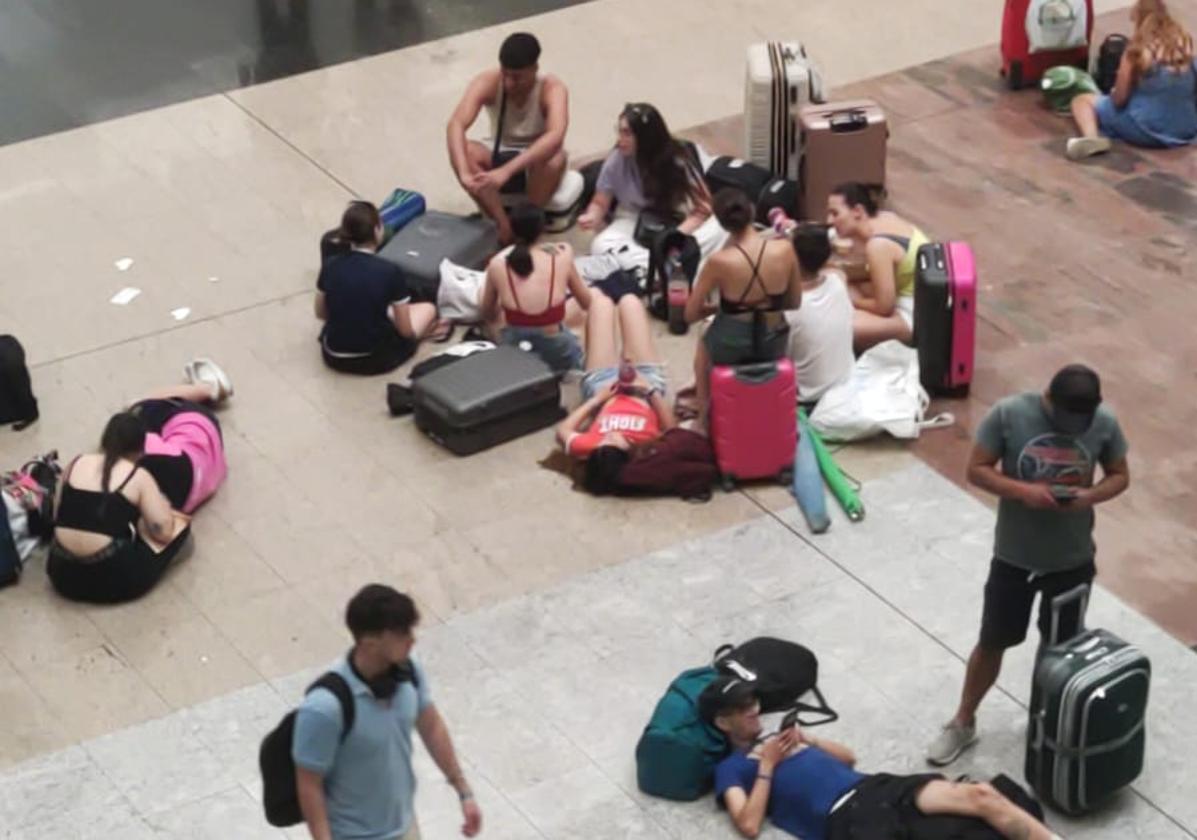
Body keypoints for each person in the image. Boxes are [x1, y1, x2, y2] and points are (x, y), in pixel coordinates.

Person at [926, 365, 1130, 767]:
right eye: (1063, 418)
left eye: (1079, 421)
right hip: (1014, 558)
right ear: (1047, 398)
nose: (1072, 426)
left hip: (1071, 561)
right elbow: (977, 469)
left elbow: (1120, 476)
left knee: (1061, 651)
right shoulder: (1009, 414)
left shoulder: (1104, 424)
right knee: (993, 641)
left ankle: (1051, 725)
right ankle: (963, 720)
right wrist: (1025, 492)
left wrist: (1089, 496)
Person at [705, 677, 1060, 840]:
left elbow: (849, 759)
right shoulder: (731, 769)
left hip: (879, 787)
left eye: (752, 702)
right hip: (844, 820)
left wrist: (808, 739)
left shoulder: (778, 739)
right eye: (742, 708)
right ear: (723, 722)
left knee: (980, 795)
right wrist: (766, 766)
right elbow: (749, 826)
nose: (753, 710)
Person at [293, 584, 482, 840]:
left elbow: (431, 726)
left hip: (404, 829)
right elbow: (308, 785)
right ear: (371, 643)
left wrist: (463, 791)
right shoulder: (325, 707)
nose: (412, 640)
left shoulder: (407, 673)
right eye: (402, 633)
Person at [47, 361, 233, 604]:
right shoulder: (138, 477)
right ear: (142, 448)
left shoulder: (76, 463)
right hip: (117, 581)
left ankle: (206, 387)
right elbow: (164, 532)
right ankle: (207, 387)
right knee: (180, 532)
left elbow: (57, 512)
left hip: (63, 575)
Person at [684, 188, 802, 420]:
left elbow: (689, 314)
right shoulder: (785, 249)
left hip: (732, 341)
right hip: (773, 338)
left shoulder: (719, 261)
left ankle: (704, 417)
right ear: (752, 211)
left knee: (704, 334)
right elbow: (794, 302)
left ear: (721, 224)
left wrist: (721, 307)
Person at [447, 32, 569, 243]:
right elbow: (456, 124)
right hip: (501, 148)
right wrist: (465, 173)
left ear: (534, 69)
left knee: (554, 157)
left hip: (534, 158)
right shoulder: (487, 81)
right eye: (506, 75)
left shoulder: (552, 88)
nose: (510, 83)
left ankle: (526, 223)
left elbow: (555, 135)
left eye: (517, 77)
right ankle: (501, 224)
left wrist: (506, 171)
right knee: (465, 151)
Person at [578, 103, 725, 268]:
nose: (620, 140)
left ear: (645, 137)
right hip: (635, 219)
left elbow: (703, 208)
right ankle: (659, 266)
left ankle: (651, 266)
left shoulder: (676, 161)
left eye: (627, 134)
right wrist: (592, 215)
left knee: (720, 229)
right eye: (619, 131)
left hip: (678, 221)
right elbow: (600, 202)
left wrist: (673, 237)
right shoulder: (616, 160)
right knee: (600, 244)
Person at [555, 293, 676, 494]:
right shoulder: (646, 447)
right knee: (630, 302)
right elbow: (672, 430)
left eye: (604, 441)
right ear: (627, 453)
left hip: (603, 386)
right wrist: (650, 391)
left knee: (600, 304)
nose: (609, 436)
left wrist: (596, 400)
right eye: (614, 442)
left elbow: (563, 430)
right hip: (645, 386)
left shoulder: (595, 448)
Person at [315, 201, 442, 375]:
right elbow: (405, 331)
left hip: (332, 354)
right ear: (377, 230)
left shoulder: (331, 264)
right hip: (373, 358)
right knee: (428, 309)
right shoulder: (390, 271)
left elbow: (321, 313)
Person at [1066, 0, 1197, 160]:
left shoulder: (1136, 52)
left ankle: (1091, 138)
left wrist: (1113, 93)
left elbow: (1119, 100)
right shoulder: (1185, 48)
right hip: (1186, 129)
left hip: (1145, 129)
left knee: (1082, 101)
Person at [480, 203, 591, 372]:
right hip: (559, 355)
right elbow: (586, 302)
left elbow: (486, 311)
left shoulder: (497, 265)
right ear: (542, 230)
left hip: (516, 351)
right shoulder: (561, 258)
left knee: (493, 308)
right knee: (592, 302)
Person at [825, 182, 928, 352]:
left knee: (840, 326)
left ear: (857, 211)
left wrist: (854, 300)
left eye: (835, 214)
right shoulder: (883, 218)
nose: (829, 220)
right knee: (845, 282)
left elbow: (884, 308)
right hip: (912, 293)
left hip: (913, 315)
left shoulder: (878, 246)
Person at [785, 224, 855, 408]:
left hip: (807, 397)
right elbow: (833, 268)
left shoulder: (788, 307)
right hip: (844, 386)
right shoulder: (838, 280)